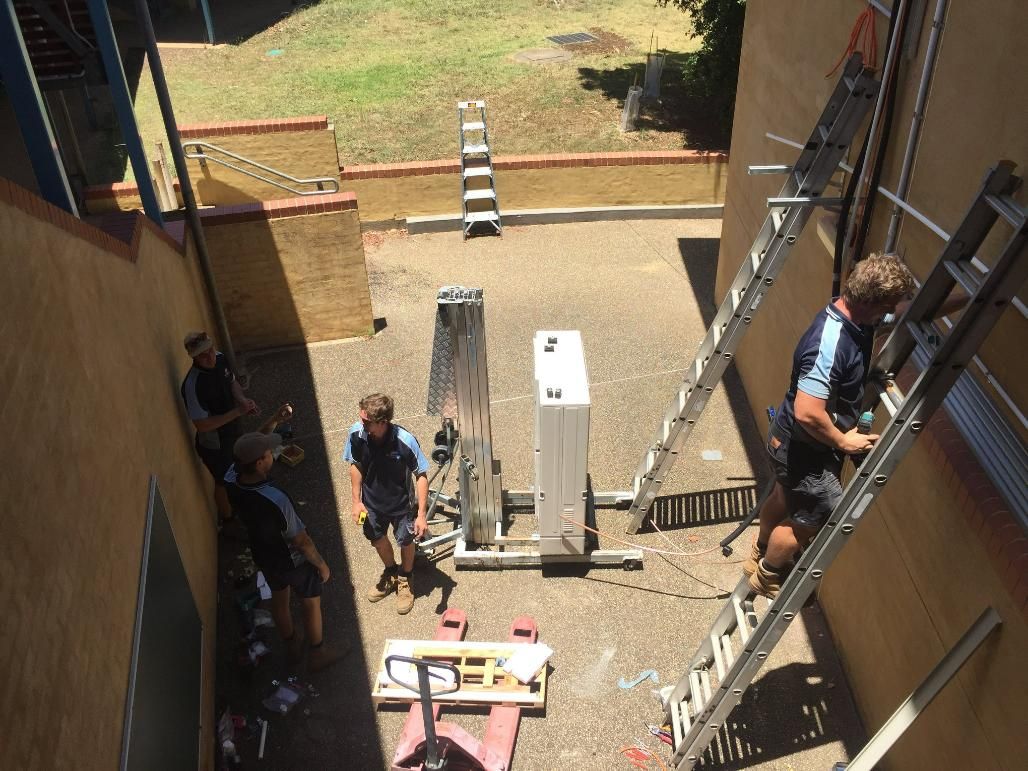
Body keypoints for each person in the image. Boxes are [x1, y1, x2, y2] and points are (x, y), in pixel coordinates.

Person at [746, 253, 923, 599]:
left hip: (788, 442)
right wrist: (843, 442)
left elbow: (901, 314)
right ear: (872, 302)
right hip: (805, 447)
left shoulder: (852, 312)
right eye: (888, 304)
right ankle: (769, 575)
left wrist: (965, 299)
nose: (890, 311)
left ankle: (759, 553)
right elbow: (809, 413)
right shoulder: (829, 344)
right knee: (813, 515)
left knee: (786, 496)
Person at [225, 430, 344, 672]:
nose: (272, 456)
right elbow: (301, 540)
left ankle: (291, 646)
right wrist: (321, 565)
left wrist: (272, 422)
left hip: (264, 556)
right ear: (259, 463)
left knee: (279, 600)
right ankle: (318, 652)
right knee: (310, 603)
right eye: (269, 454)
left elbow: (241, 452)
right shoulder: (276, 499)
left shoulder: (230, 480)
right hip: (293, 561)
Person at [343, 393, 429, 615]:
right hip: (371, 506)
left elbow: (421, 474)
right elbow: (356, 465)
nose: (360, 423)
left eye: (365, 421)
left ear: (382, 422)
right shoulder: (356, 434)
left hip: (402, 506)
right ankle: (391, 572)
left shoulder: (405, 441)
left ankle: (405, 578)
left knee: (406, 541)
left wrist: (421, 514)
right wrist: (356, 501)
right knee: (377, 540)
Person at [180, 331, 258, 525]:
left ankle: (244, 501)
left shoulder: (221, 359)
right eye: (202, 355)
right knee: (222, 481)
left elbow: (231, 382)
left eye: (210, 350)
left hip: (232, 429)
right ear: (193, 357)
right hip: (213, 442)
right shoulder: (192, 385)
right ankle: (228, 520)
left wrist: (242, 401)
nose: (209, 357)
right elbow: (202, 425)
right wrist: (236, 413)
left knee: (241, 464)